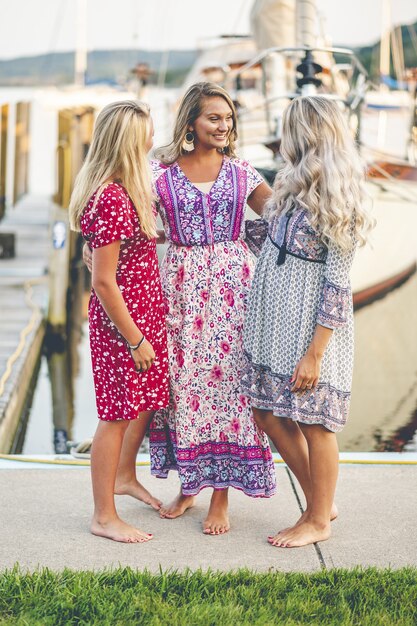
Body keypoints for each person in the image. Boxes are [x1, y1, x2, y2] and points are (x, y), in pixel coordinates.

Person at [242, 95, 374, 548]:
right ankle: (322, 499)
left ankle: (318, 519)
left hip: (308, 331)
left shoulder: (341, 196)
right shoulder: (291, 186)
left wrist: (315, 354)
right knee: (266, 412)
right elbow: (271, 247)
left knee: (316, 424)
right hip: (273, 327)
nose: (282, 138)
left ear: (307, 134)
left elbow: (336, 283)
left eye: (288, 129)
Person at [150, 82, 276, 535]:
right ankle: (191, 481)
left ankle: (220, 493)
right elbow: (140, 228)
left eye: (228, 118)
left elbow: (279, 221)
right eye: (214, 118)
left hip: (232, 291)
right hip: (182, 289)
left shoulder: (243, 172)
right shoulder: (160, 175)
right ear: (190, 123)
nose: (224, 126)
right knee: (184, 386)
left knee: (227, 388)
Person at [69, 100, 169, 543]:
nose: (152, 138)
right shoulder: (111, 197)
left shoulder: (127, 188)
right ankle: (103, 515)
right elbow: (104, 283)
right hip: (122, 325)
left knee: (142, 400)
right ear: (131, 140)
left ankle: (125, 476)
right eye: (147, 132)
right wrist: (135, 339)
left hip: (142, 313)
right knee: (114, 416)